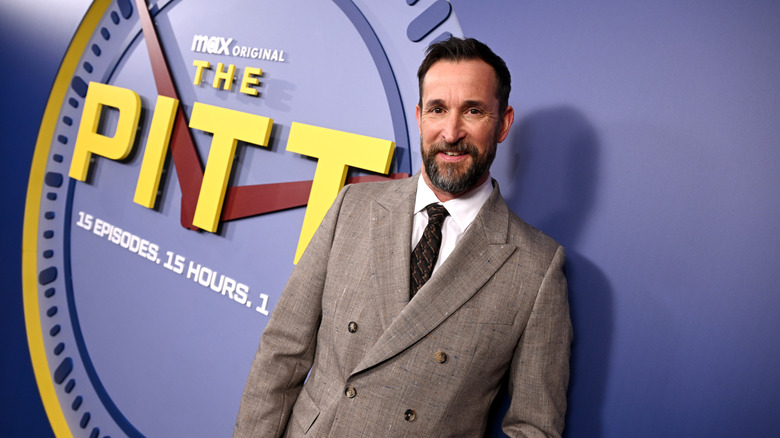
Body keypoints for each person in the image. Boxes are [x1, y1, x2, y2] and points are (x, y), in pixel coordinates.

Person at [234, 37, 572, 437]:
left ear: (503, 123)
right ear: (419, 116)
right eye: (438, 109)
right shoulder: (353, 207)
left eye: (474, 111)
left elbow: (535, 427)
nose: (451, 132)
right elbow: (282, 351)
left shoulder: (536, 267)